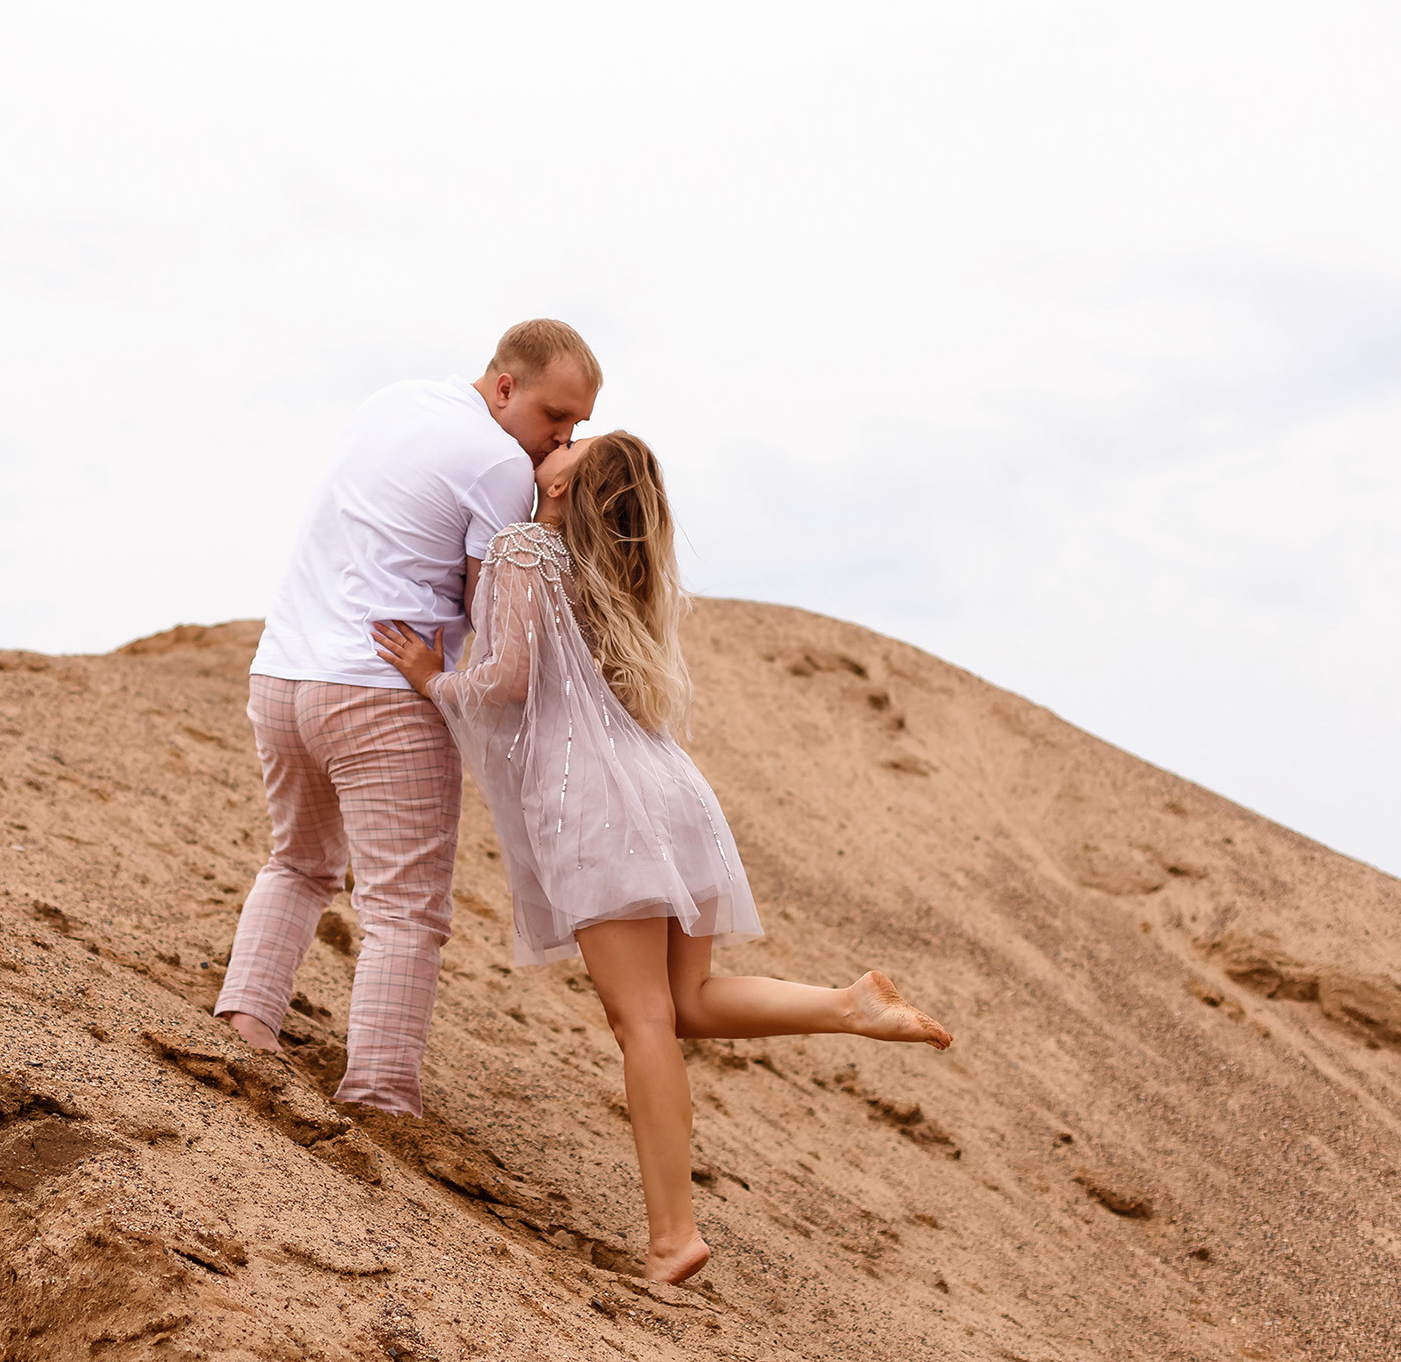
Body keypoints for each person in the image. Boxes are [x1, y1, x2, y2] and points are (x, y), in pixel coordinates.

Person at [372, 431, 953, 1285]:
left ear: (566, 489)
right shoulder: (620, 574)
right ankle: (847, 1004)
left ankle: (672, 1237)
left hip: (601, 803)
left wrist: (432, 678)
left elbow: (507, 680)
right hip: (669, 790)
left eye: (570, 448)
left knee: (640, 1021)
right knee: (685, 1002)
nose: (553, 447)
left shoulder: (525, 545)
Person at [214, 320, 602, 1116]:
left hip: (284, 671)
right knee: (404, 908)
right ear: (504, 388)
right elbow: (484, 602)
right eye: (555, 417)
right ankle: (381, 1091)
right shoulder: (499, 461)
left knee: (296, 864)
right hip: (383, 694)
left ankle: (245, 1024)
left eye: (577, 426)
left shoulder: (392, 401)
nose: (562, 437)